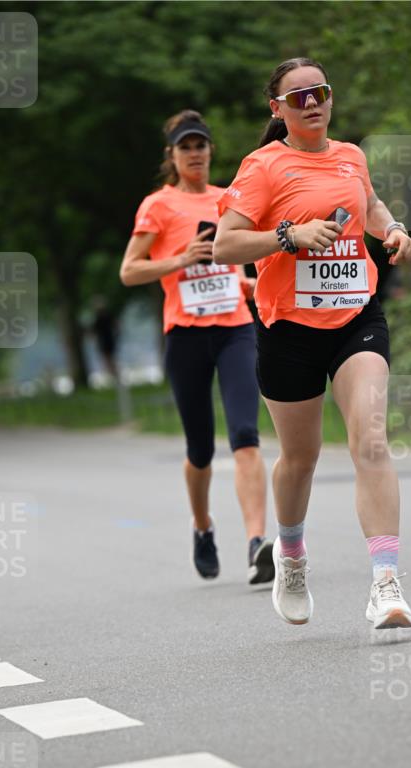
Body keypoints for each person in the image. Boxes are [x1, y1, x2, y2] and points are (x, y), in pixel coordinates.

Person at [214, 57, 411, 628]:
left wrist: (394, 229)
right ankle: (293, 554)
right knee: (300, 459)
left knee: (371, 440)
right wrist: (288, 236)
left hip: (357, 317)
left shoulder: (351, 156)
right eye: (298, 96)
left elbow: (369, 206)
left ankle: (386, 583)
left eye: (320, 91)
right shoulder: (263, 167)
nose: (313, 103)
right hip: (289, 330)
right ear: (276, 109)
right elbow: (225, 247)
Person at [120, 110, 274, 585]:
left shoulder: (230, 199)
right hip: (185, 335)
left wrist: (246, 283)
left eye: (201, 146)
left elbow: (238, 254)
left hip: (234, 329)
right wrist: (179, 259)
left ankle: (256, 544)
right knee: (200, 448)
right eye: (186, 147)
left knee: (245, 435)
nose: (196, 154)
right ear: (172, 156)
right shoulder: (158, 206)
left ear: (210, 151)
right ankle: (203, 526)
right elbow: (129, 271)